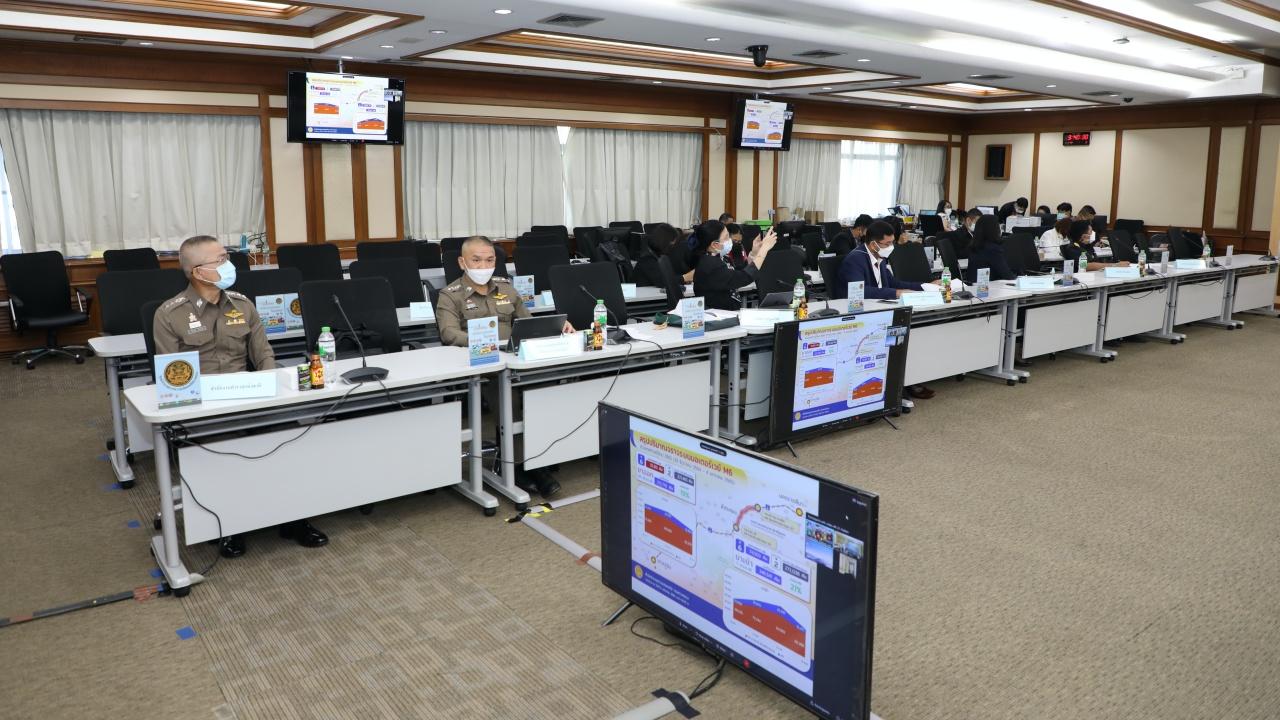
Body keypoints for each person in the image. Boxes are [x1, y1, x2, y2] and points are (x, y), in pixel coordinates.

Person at [154, 235, 328, 558]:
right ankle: (231, 524)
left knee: (292, 435)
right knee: (227, 449)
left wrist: (272, 394)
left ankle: (294, 517)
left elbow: (264, 356)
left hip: (249, 398)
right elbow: (174, 377)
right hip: (204, 408)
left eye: (227, 257)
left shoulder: (242, 304)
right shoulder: (169, 315)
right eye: (220, 260)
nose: (229, 265)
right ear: (197, 272)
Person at [437, 236, 574, 497]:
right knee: (509, 397)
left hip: (516, 360)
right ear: (462, 262)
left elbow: (528, 323)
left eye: (489, 260)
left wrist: (556, 327)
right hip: (482, 366)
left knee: (546, 389)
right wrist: (486, 342)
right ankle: (517, 465)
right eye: (476, 260)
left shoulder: (506, 288)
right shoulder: (450, 295)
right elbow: (449, 333)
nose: (483, 266)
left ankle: (538, 458)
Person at [692, 220, 776, 310]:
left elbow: (738, 272)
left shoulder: (720, 257)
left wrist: (754, 254)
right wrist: (764, 250)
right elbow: (743, 277)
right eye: (726, 237)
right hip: (718, 314)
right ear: (715, 245)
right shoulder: (710, 264)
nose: (730, 240)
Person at [1060, 220, 1130, 272]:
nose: (1092, 236)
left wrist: (1116, 264)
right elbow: (1085, 266)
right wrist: (1116, 265)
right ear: (1083, 236)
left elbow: (1096, 262)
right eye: (1090, 233)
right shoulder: (1072, 248)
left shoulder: (1085, 246)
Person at [965, 214, 1017, 283]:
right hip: (988, 286)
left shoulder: (974, 245)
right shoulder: (993, 249)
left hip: (973, 285)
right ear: (994, 229)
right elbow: (1007, 275)